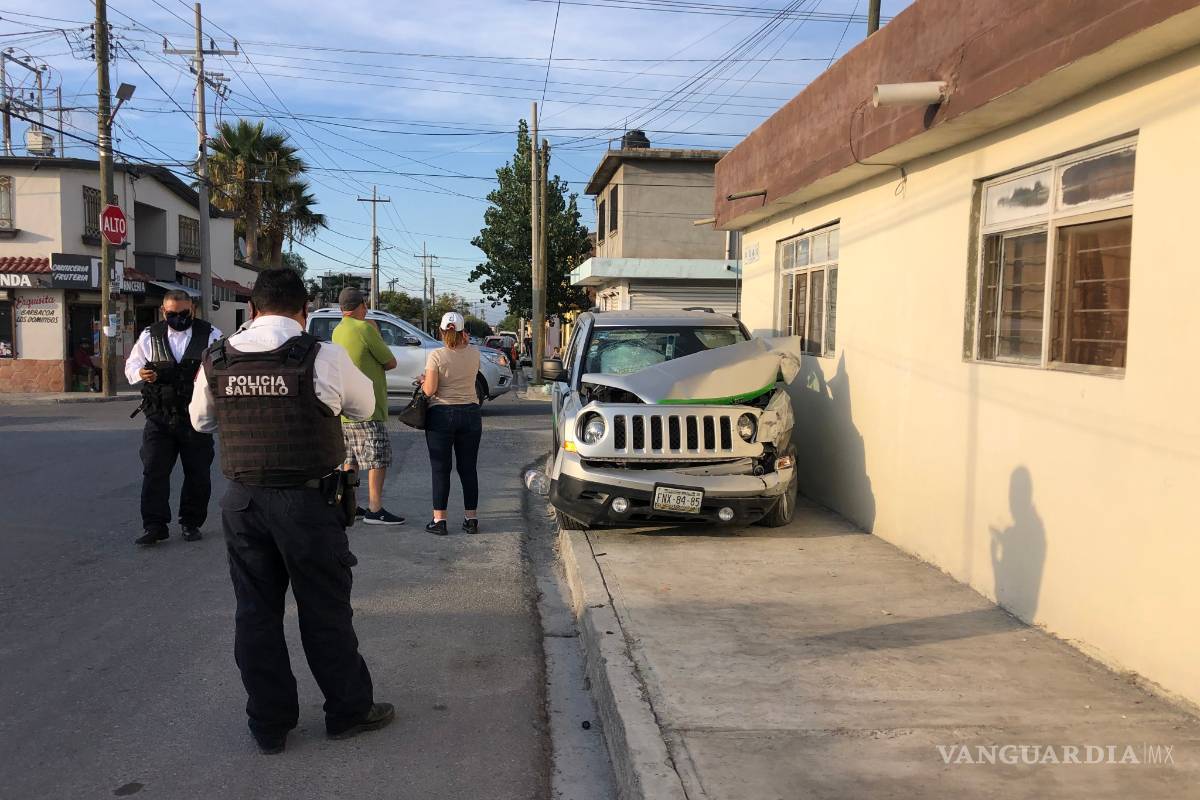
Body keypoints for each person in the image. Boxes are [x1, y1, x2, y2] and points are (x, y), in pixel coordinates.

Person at [188, 267, 394, 755]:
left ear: (254, 309)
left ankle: (269, 725)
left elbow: (200, 421)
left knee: (255, 613)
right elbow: (363, 408)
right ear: (304, 311)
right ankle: (346, 712)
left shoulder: (215, 357)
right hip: (307, 502)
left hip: (244, 503)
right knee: (324, 610)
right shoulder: (322, 355)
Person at [125, 290, 221, 546]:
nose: (178, 318)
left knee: (197, 473)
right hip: (160, 417)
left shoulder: (211, 335)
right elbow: (131, 366)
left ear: (193, 310)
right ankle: (155, 526)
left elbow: (223, 369)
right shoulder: (150, 335)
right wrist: (141, 373)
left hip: (195, 418)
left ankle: (191, 523)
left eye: (183, 314)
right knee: (154, 471)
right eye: (172, 314)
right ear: (162, 312)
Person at [331, 288, 405, 526]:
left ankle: (350, 506)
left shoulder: (337, 331)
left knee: (350, 459)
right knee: (377, 458)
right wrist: (375, 331)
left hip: (345, 407)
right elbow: (390, 362)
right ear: (361, 306)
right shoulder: (365, 329)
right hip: (369, 406)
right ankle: (375, 508)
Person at [421, 311, 483, 535]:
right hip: (470, 413)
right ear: (462, 331)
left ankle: (440, 521)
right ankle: (471, 519)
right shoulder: (475, 353)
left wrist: (424, 380)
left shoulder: (436, 355)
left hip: (441, 414)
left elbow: (430, 390)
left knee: (441, 469)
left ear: (440, 330)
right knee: (468, 469)